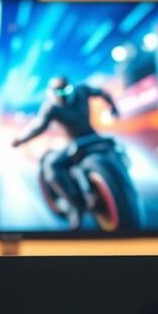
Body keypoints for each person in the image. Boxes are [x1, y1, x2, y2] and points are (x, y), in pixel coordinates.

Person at [11, 76, 120, 229]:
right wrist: (113, 108)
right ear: (51, 92)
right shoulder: (56, 105)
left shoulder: (78, 93)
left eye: (66, 90)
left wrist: (19, 140)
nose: (63, 94)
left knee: (51, 165)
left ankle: (76, 206)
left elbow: (38, 127)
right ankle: (77, 204)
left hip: (83, 142)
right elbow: (38, 127)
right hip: (85, 142)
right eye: (59, 91)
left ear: (71, 88)